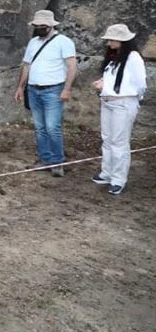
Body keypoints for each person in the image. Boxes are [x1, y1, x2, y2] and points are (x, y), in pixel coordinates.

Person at [13, 10, 77, 177]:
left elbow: (71, 66)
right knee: (40, 127)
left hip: (53, 89)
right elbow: (26, 66)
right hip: (34, 89)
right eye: (37, 26)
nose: (39, 28)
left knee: (52, 127)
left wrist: (67, 89)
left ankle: (57, 161)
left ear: (50, 26)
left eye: (43, 26)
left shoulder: (63, 42)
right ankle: (44, 158)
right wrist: (20, 87)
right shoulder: (33, 42)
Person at [90, 24, 147, 195]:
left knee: (119, 142)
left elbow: (140, 84)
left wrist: (132, 98)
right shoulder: (114, 57)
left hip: (123, 103)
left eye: (112, 40)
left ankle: (118, 178)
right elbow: (113, 79)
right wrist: (103, 84)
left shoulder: (133, 57)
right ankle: (107, 172)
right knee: (107, 139)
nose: (108, 43)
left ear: (122, 41)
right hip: (108, 101)